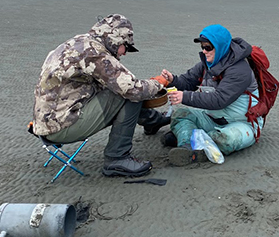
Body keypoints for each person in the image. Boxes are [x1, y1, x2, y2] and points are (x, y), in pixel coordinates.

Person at [32, 13, 170, 177]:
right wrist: (159, 83)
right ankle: (116, 158)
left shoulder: (79, 43)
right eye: (126, 46)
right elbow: (132, 89)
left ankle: (152, 121)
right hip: (60, 126)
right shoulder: (93, 53)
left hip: (46, 122)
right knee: (127, 93)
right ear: (115, 39)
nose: (125, 52)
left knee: (118, 89)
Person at [157, 24, 264, 166]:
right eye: (202, 47)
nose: (204, 51)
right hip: (211, 118)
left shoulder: (240, 70)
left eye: (208, 47)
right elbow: (187, 81)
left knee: (226, 139)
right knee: (181, 114)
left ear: (220, 46)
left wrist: (185, 97)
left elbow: (220, 100)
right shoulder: (206, 64)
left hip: (241, 123)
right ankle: (186, 146)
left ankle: (195, 147)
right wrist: (172, 80)